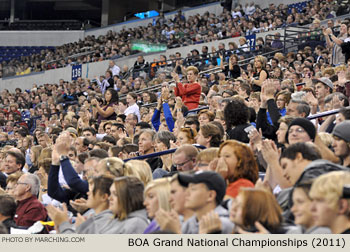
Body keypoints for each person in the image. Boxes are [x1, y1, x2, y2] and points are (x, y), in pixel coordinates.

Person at [49, 175, 114, 234]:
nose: (88, 193)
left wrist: (63, 223)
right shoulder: (95, 215)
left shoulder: (104, 221)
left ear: (104, 197)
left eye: (91, 192)